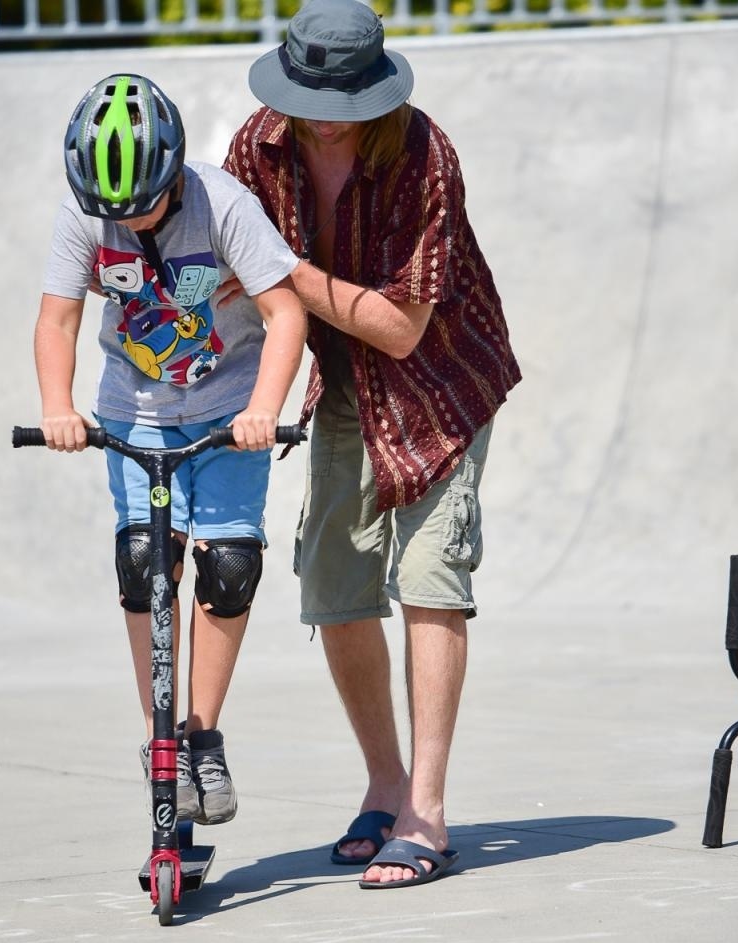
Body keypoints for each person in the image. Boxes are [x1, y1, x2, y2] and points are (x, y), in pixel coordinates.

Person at [221, 0, 521, 888]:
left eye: (342, 99)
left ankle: (426, 812)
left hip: (440, 379)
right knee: (334, 580)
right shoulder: (258, 145)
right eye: (311, 94)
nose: (322, 116)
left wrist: (281, 268)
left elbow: (398, 328)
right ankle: (384, 785)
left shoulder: (425, 154)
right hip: (341, 382)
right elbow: (234, 286)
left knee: (432, 576)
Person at [35, 73, 307, 825]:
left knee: (227, 566)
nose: (126, 221)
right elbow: (58, 320)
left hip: (227, 410)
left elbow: (285, 315)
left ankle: (203, 735)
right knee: (146, 560)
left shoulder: (225, 205)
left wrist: (262, 410)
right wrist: (57, 407)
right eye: (109, 211)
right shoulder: (83, 215)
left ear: (175, 171)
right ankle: (162, 741)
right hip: (136, 412)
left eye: (145, 206)